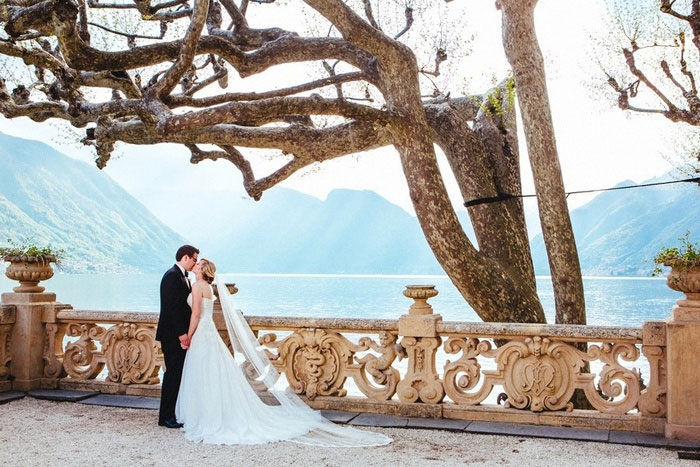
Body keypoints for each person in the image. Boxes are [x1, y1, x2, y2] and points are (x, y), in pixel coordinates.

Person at [175, 258, 392, 447]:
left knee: (204, 373)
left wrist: (189, 335)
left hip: (202, 332)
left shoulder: (197, 287)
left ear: (203, 270)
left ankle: (206, 415)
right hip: (210, 332)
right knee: (213, 373)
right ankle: (213, 412)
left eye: (199, 264)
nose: (195, 265)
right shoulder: (208, 288)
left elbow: (195, 314)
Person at [155, 245, 199, 428]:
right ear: (186, 257)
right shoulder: (172, 276)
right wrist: (182, 334)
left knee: (178, 374)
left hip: (176, 334)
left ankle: (173, 412)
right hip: (173, 335)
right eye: (195, 259)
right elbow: (171, 309)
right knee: (172, 374)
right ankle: (166, 416)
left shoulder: (182, 276)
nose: (196, 262)